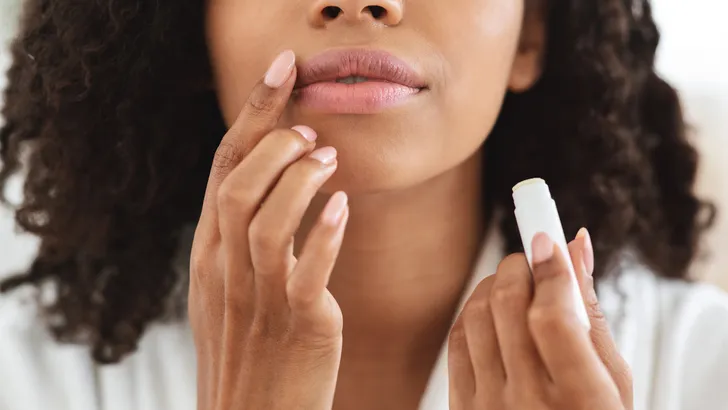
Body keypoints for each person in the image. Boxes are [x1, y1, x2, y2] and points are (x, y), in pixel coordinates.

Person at [1, 0, 727, 409]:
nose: (356, 0)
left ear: (531, 34)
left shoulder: (704, 368)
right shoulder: (24, 380)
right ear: (191, 29)